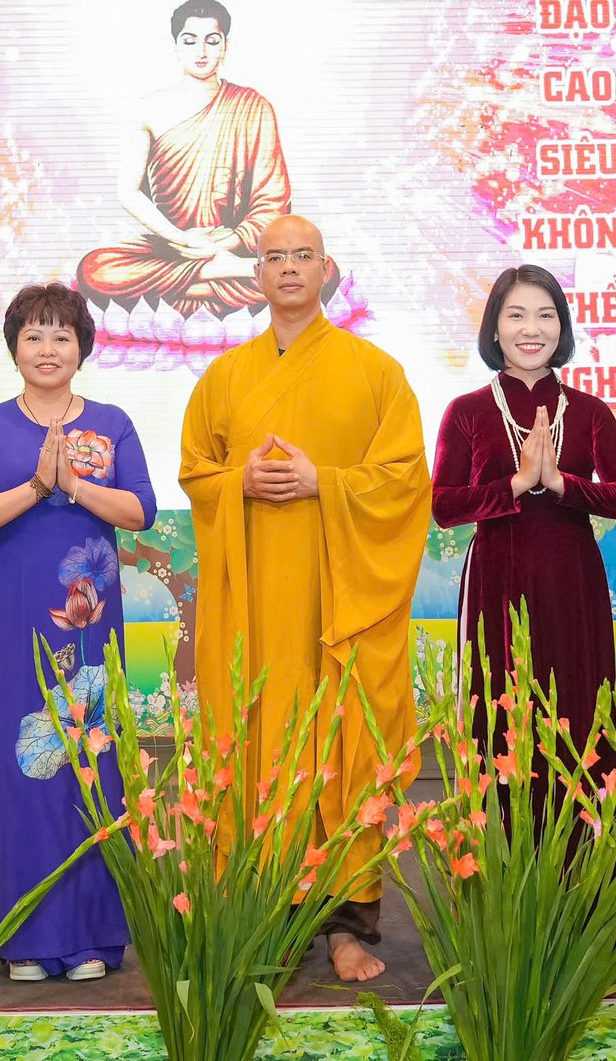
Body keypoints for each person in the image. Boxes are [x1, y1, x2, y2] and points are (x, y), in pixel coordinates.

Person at [178, 215, 429, 983]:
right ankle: (262, 919)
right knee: (259, 747)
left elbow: (404, 479)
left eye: (303, 255)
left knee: (341, 748)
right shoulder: (224, 377)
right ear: (257, 275)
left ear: (327, 269)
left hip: (336, 608)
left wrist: (328, 482)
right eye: (274, 256)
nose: (288, 267)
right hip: (256, 610)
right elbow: (196, 474)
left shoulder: (375, 372)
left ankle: (345, 930)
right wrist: (238, 483)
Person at [0, 283, 156, 984]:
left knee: (92, 762)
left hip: (89, 620)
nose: (47, 349)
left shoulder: (112, 422)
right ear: (14, 347)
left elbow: (140, 511)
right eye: (34, 336)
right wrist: (37, 487)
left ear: (82, 348)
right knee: (18, 768)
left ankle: (91, 934)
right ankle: (25, 940)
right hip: (15, 620)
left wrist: (75, 485)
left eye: (61, 336)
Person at [432, 266, 616, 759]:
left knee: (577, 705)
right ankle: (501, 813)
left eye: (546, 316)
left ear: (562, 327)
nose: (532, 329)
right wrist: (518, 483)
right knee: (500, 715)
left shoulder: (590, 411)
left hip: (572, 578)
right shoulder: (466, 411)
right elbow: (443, 507)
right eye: (517, 316)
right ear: (494, 327)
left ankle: (583, 811)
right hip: (495, 579)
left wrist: (562, 484)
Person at [78, 0, 329, 324]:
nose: (201, 51)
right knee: (96, 270)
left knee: (323, 271)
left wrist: (230, 241)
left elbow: (273, 200)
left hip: (234, 245)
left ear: (226, 45)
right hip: (171, 247)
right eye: (189, 40)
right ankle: (226, 274)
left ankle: (195, 282)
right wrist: (182, 238)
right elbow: (128, 192)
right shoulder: (149, 108)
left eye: (212, 40)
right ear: (175, 45)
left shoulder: (254, 107)